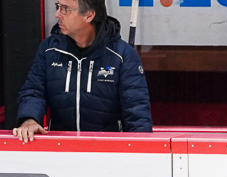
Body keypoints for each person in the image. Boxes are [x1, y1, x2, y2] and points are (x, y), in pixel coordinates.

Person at [12, 0, 151, 143]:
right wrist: (29, 119)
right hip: (60, 150)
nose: (57, 14)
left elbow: (137, 113)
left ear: (88, 16)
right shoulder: (49, 49)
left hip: (108, 153)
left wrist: (140, 154)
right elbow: (34, 91)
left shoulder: (122, 55)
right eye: (58, 6)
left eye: (65, 9)